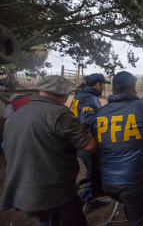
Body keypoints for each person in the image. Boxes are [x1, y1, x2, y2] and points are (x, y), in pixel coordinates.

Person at [1, 75, 96, 226]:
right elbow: (89, 145)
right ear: (62, 94)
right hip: (52, 196)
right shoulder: (59, 113)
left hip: (23, 191)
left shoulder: (19, 112)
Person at [91, 71, 143, 226]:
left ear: (113, 90)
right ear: (134, 89)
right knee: (141, 219)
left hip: (108, 182)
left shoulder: (100, 113)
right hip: (136, 181)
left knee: (134, 209)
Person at [70, 73, 111, 213]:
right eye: (103, 84)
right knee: (94, 172)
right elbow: (87, 120)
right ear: (98, 84)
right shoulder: (90, 98)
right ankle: (80, 201)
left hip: (76, 139)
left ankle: (91, 200)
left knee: (90, 170)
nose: (104, 87)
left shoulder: (79, 95)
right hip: (86, 140)